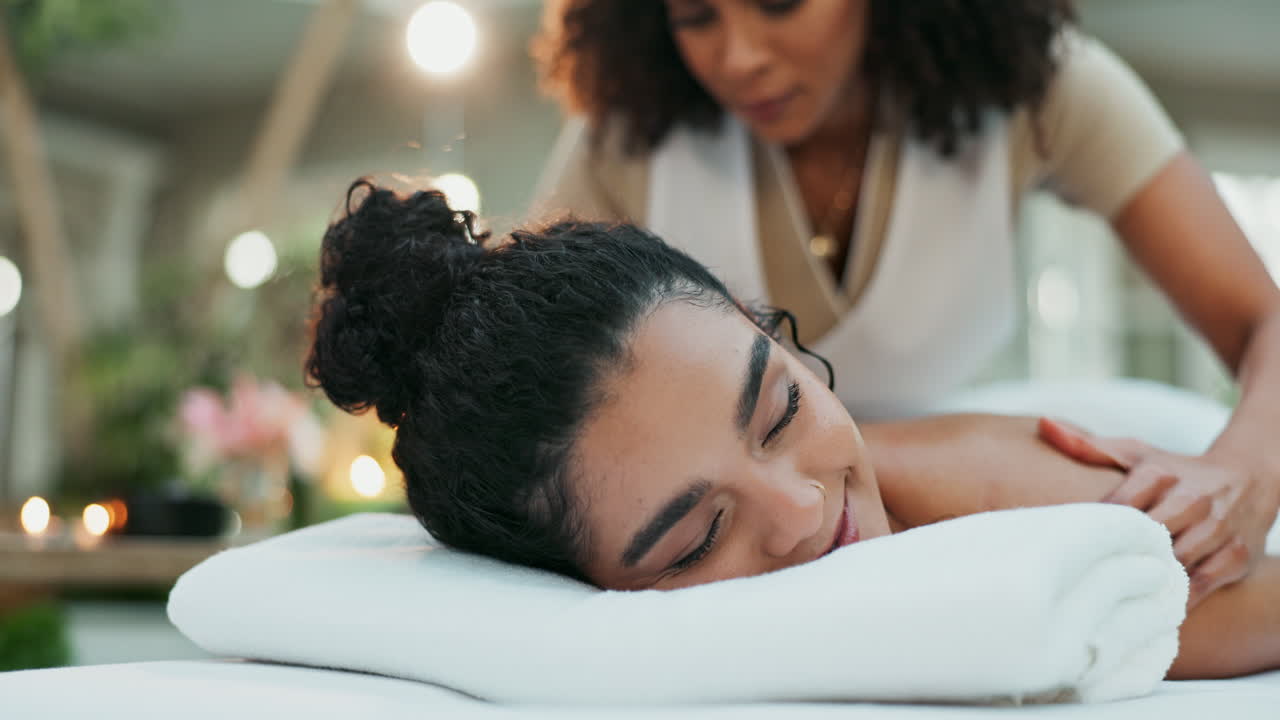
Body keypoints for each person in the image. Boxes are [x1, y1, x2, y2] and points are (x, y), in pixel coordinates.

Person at [305, 180, 1279, 680]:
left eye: (778, 408)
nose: (805, 508)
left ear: (758, 322)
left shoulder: (1010, 507)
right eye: (693, 538)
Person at [529, 0, 1280, 606]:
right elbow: (523, 381)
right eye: (695, 17)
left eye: (780, 4)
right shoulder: (624, 140)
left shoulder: (1042, 89)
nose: (739, 55)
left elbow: (1263, 318)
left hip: (958, 452)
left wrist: (1248, 470)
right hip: (750, 496)